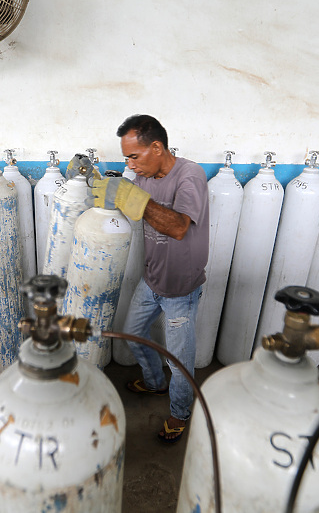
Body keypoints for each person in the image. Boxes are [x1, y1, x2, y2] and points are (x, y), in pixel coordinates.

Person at [86, 114, 209, 443]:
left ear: (157, 147)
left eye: (134, 156)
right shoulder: (143, 177)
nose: (130, 164)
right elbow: (129, 208)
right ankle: (155, 383)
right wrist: (94, 183)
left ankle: (180, 413)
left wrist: (133, 197)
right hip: (152, 278)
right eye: (126, 157)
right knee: (132, 333)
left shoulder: (190, 175)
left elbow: (180, 227)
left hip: (181, 288)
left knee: (180, 360)